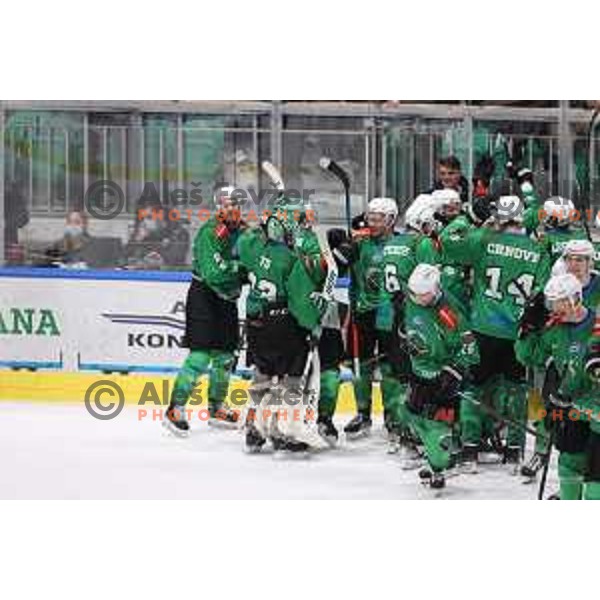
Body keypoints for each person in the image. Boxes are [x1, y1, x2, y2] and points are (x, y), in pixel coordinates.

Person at [442, 196, 551, 472]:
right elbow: (544, 294)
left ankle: (469, 451)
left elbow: (447, 240)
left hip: (483, 328)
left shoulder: (484, 239)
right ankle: (514, 452)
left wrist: (467, 221)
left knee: (473, 388)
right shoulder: (538, 249)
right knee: (516, 390)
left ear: (498, 217)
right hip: (517, 333)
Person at [239, 202, 329, 453]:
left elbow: (244, 242)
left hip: (256, 325)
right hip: (283, 325)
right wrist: (313, 325)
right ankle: (281, 430)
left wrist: (265, 222)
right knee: (291, 380)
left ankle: (253, 430)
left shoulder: (254, 248)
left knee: (261, 377)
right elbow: (300, 300)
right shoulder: (291, 258)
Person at [327, 198, 413, 449]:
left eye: (378, 218)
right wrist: (341, 246)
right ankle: (363, 414)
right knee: (361, 366)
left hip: (390, 313)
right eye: (370, 217)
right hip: (362, 312)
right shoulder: (360, 242)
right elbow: (338, 268)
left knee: (389, 367)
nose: (372, 223)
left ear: (391, 220)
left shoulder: (400, 245)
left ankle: (392, 417)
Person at [164, 187, 245, 435]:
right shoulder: (210, 233)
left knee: (225, 357)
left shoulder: (243, 232)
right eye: (226, 205)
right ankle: (175, 408)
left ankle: (217, 406)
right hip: (204, 297)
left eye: (235, 205)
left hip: (227, 300)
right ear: (218, 207)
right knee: (200, 357)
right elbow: (214, 274)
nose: (231, 209)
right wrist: (242, 271)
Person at [516, 273, 600, 500]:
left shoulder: (597, 324)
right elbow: (529, 358)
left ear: (575, 298)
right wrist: (527, 329)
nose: (554, 308)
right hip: (573, 405)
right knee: (569, 462)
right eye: (551, 303)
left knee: (595, 481)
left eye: (560, 302)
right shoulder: (554, 328)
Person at [404, 264, 480, 489]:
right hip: (419, 374)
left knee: (438, 429)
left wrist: (454, 370)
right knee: (412, 414)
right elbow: (408, 325)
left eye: (424, 294)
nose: (418, 298)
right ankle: (433, 455)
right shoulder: (409, 299)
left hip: (443, 379)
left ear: (436, 288)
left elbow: (470, 349)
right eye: (415, 294)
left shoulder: (449, 311)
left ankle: (440, 465)